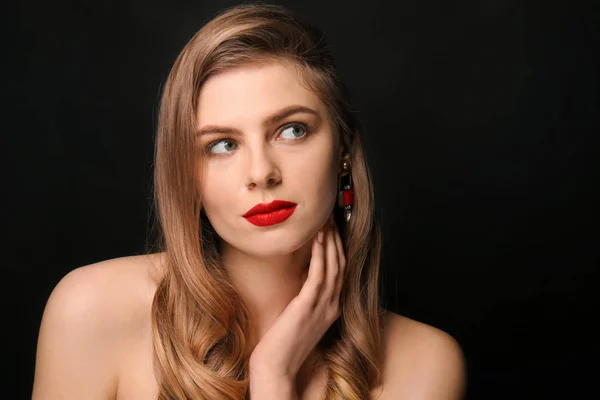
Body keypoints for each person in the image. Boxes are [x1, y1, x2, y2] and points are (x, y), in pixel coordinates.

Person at [32, 3, 466, 399]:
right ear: (187, 174)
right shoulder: (92, 312)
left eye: (292, 130)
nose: (261, 173)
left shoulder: (424, 363)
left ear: (344, 152)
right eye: (222, 145)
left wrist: (274, 375)